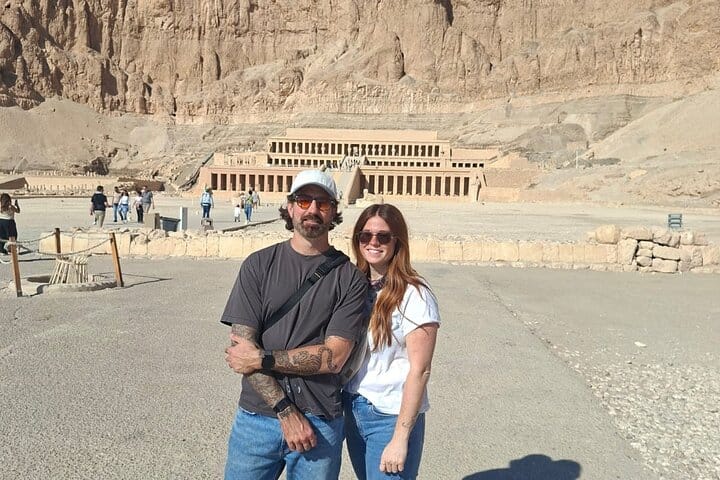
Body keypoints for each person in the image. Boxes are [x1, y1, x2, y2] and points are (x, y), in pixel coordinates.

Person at [222, 169, 368, 480]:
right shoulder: (258, 265)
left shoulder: (350, 279)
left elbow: (333, 358)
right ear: (289, 207)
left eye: (322, 203)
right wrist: (286, 412)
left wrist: (262, 358)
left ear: (334, 212)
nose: (313, 209)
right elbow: (242, 352)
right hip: (257, 417)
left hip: (320, 420)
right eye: (303, 201)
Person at [343, 203, 440, 480]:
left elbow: (420, 370)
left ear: (398, 241)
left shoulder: (415, 294)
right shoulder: (354, 286)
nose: (373, 242)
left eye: (383, 237)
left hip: (389, 416)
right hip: (354, 406)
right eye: (365, 235)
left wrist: (400, 438)